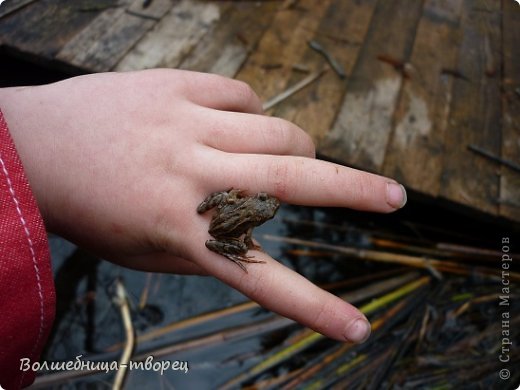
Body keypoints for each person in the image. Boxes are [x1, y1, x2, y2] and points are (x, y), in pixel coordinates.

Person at [0, 69, 407, 388]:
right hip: (224, 230)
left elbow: (226, 206)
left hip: (224, 211)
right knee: (235, 244)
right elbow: (239, 233)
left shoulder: (242, 202)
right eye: (266, 205)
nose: (267, 206)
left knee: (226, 217)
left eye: (266, 206)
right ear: (260, 208)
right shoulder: (251, 217)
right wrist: (244, 247)